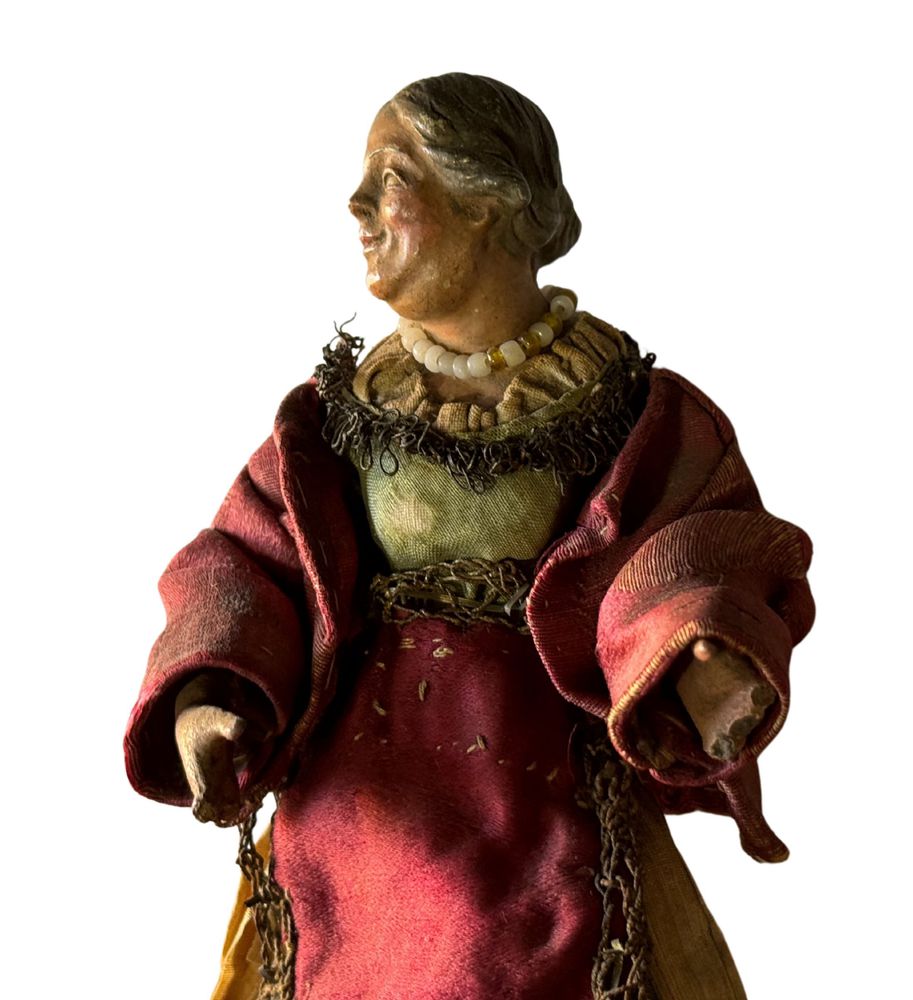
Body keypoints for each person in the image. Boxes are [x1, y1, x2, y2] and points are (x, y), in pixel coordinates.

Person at [125, 73, 814, 1000]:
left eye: (390, 177)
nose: (356, 206)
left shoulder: (628, 410)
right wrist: (210, 690)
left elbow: (691, 550)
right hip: (359, 810)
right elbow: (250, 561)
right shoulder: (334, 420)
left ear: (487, 201)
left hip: (544, 796)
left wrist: (697, 653)